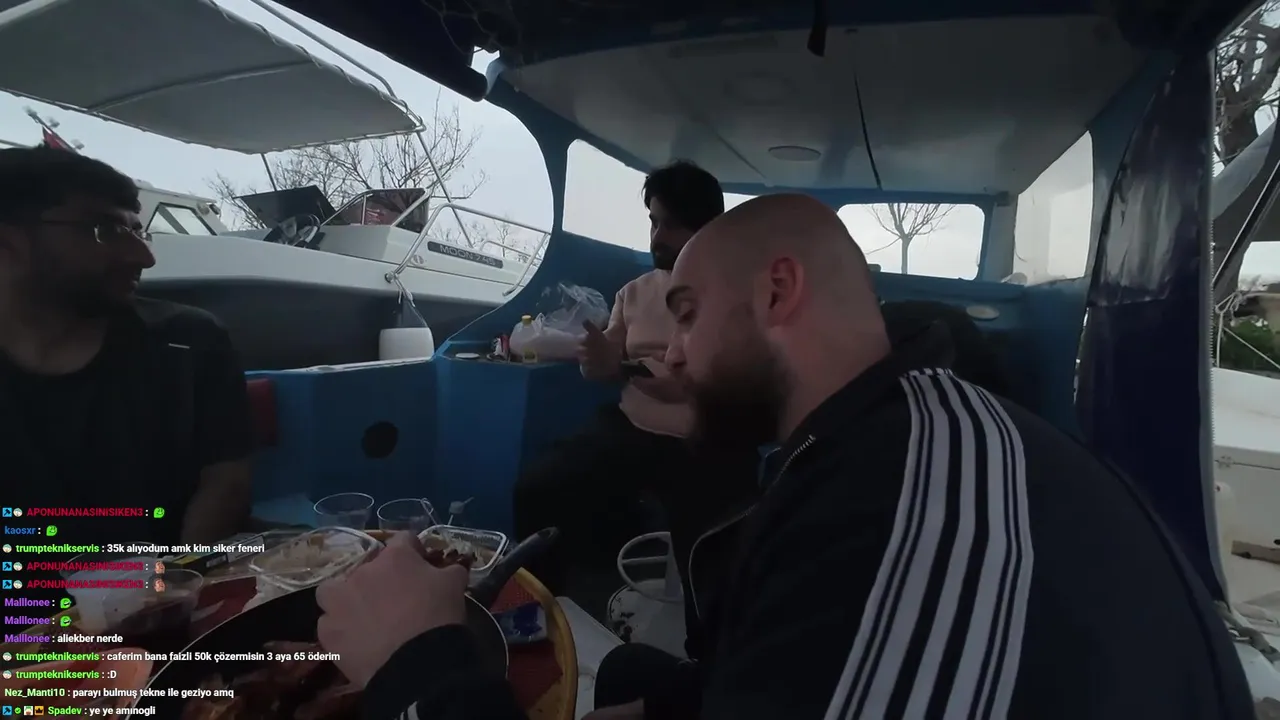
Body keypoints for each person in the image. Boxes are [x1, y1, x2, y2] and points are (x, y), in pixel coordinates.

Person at [316, 194, 1255, 720]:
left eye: (686, 316)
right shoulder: (864, 449)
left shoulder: (924, 499)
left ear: (776, 292)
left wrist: (420, 671)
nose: (669, 355)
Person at [512, 160, 759, 630]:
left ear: (708, 230)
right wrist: (596, 360)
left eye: (672, 224)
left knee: (712, 536)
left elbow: (702, 377)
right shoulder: (633, 292)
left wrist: (621, 366)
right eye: (653, 221)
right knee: (540, 486)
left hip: (709, 436)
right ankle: (542, 616)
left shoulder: (737, 296)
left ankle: (702, 646)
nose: (657, 236)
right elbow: (604, 360)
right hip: (632, 425)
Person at [0, 147, 254, 558]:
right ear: (7, 244)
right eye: (106, 230)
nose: (145, 257)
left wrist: (177, 577)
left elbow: (226, 480)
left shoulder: (189, 341)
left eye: (139, 231)